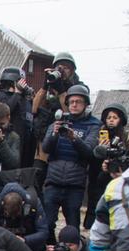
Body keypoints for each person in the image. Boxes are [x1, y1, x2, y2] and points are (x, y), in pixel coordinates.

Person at [41, 84, 100, 230]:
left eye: (78, 101)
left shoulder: (94, 125)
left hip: (75, 184)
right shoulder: (57, 122)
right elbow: (46, 148)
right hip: (53, 181)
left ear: (85, 104)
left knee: (72, 226)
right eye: (71, 101)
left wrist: (74, 138)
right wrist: (54, 133)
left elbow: (88, 152)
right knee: (46, 224)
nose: (74, 105)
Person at [31, 52, 81, 190]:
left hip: (64, 137)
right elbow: (34, 108)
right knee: (37, 176)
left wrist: (61, 90)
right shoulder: (51, 83)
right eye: (60, 67)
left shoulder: (78, 87)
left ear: (72, 70)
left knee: (54, 182)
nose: (62, 70)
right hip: (44, 136)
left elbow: (69, 110)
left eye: (66, 68)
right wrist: (45, 85)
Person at [85, 103, 129, 230]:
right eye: (109, 117)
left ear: (121, 120)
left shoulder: (124, 137)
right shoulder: (98, 134)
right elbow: (91, 156)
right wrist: (100, 148)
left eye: (115, 117)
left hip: (115, 176)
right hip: (96, 177)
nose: (111, 120)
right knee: (94, 204)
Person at [0, 182, 50, 251]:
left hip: (29, 242)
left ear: (23, 203)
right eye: (8, 215)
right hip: (5, 243)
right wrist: (2, 239)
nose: (13, 218)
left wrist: (25, 240)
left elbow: (43, 232)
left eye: (16, 214)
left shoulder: (34, 203)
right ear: (2, 203)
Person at [0, 66, 35, 168]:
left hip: (26, 140)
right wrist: (17, 93)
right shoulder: (0, 95)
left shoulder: (25, 98)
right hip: (8, 138)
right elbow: (4, 110)